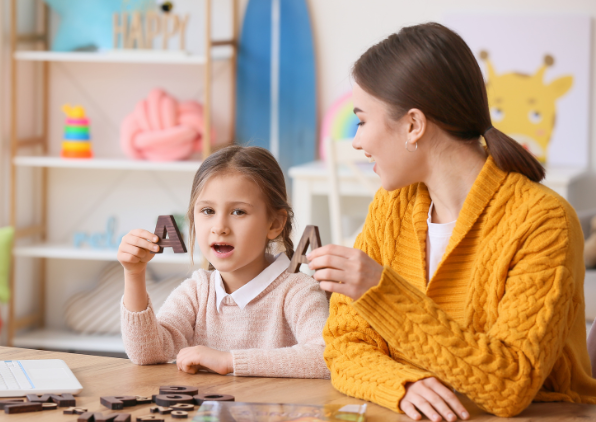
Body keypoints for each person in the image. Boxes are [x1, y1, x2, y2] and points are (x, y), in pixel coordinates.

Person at [311, 22, 596, 420]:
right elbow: (343, 346)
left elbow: (509, 386)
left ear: (413, 125)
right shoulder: (389, 208)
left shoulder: (543, 221)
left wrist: (380, 290)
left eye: (362, 120)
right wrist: (402, 384)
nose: (356, 141)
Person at [117, 145, 330, 379]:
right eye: (208, 211)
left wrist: (229, 360)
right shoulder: (198, 291)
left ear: (275, 224)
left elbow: (326, 357)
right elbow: (147, 353)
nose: (219, 227)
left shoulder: (298, 291)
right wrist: (134, 274)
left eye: (238, 212)